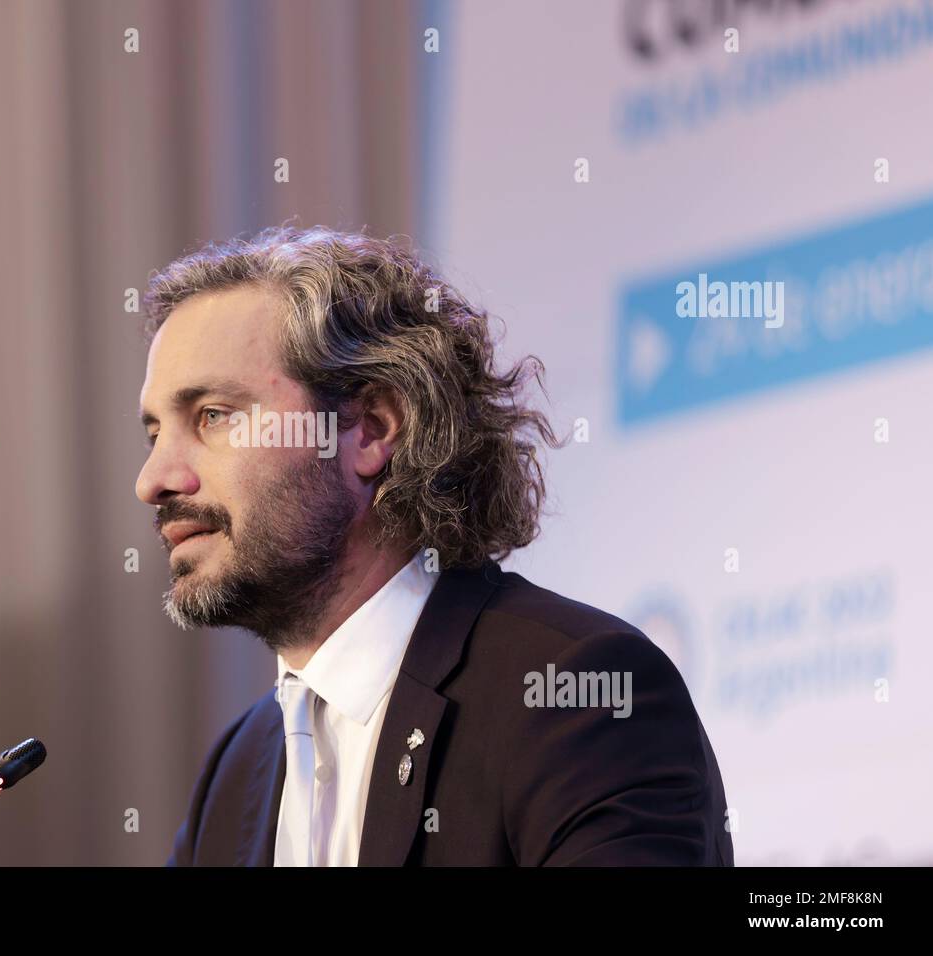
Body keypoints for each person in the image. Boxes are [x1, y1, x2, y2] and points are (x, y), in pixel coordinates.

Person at [135, 225, 733, 866]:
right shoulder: (236, 774)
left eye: (213, 416)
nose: (154, 481)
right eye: (153, 433)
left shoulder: (574, 695)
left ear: (369, 430)